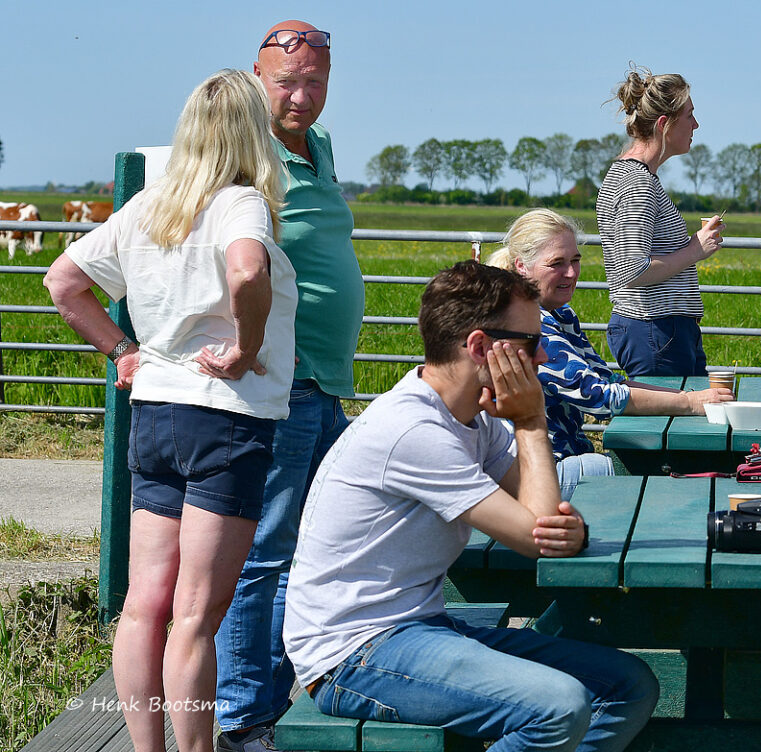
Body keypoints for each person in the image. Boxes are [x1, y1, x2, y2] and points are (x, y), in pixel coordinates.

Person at [283, 261, 659, 751]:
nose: (543, 354)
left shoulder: (471, 418)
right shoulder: (414, 430)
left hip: (420, 627)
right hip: (354, 652)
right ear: (481, 346)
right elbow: (538, 537)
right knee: (559, 707)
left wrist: (568, 530)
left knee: (627, 685)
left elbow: (543, 517)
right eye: (531, 341)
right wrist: (531, 421)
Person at [43, 69, 297, 752]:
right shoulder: (241, 202)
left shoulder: (151, 205)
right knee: (195, 616)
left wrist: (122, 350)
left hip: (154, 414)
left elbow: (63, 281)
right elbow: (247, 270)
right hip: (224, 417)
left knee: (142, 606)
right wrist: (245, 348)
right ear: (254, 133)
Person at [214, 20, 365, 752]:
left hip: (325, 383)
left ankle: (282, 693)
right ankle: (243, 717)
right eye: (286, 83)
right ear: (256, 78)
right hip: (285, 380)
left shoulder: (320, 145)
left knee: (317, 548)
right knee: (264, 551)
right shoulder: (244, 151)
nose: (301, 97)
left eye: (315, 82)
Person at [488, 209, 732, 497]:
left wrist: (689, 397)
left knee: (661, 466)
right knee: (660, 470)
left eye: (575, 260)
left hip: (562, 458)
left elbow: (608, 380)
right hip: (538, 475)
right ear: (521, 266)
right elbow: (599, 396)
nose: (571, 273)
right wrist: (689, 403)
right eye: (556, 263)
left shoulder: (559, 314)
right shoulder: (527, 324)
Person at [597, 64, 724, 377]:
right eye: (689, 115)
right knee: (672, 411)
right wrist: (694, 250)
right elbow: (632, 269)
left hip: (658, 329)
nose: (696, 124)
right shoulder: (637, 183)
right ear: (664, 124)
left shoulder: (633, 176)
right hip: (655, 329)